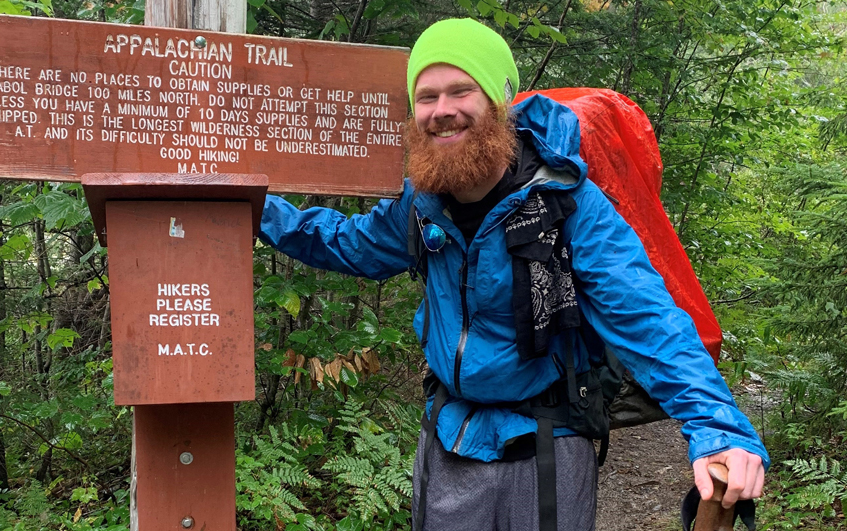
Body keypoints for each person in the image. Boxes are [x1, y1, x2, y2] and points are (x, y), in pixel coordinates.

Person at [259, 18, 768, 531]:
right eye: (427, 96)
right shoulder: (422, 205)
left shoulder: (569, 206)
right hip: (449, 436)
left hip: (545, 445)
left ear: (500, 102)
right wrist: (252, 208)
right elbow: (344, 242)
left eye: (462, 91)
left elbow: (644, 314)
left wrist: (717, 426)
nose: (442, 111)